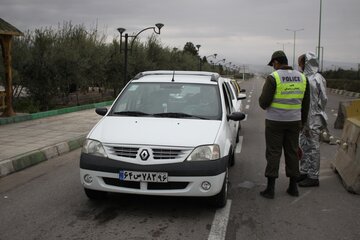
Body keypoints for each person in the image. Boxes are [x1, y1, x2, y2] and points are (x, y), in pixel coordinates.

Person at [259, 50, 310, 199]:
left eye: (273, 64)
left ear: (276, 62)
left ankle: (270, 189)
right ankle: (293, 188)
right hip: (294, 122)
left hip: (275, 122)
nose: (273, 67)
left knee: (274, 153)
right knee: (292, 152)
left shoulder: (273, 77)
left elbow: (263, 103)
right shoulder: (302, 78)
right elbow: (306, 104)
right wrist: (302, 122)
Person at [297, 52, 328, 187]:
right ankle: (304, 171)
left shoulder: (315, 79)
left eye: (301, 63)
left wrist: (314, 117)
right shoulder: (306, 78)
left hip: (313, 118)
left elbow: (320, 100)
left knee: (313, 147)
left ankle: (313, 176)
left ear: (306, 63)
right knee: (304, 145)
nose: (299, 66)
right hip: (305, 118)